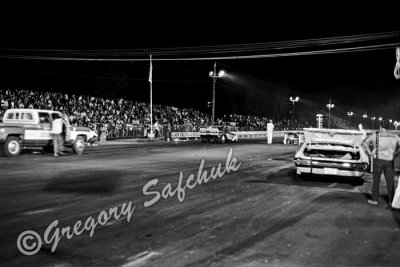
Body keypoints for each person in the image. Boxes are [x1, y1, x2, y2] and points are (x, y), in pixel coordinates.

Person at [362, 120, 400, 207]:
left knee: (376, 181)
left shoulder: (376, 134)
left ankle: (374, 199)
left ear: (380, 125)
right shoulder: (394, 135)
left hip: (378, 160)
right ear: (389, 126)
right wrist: (396, 153)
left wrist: (370, 152)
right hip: (389, 160)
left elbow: (364, 143)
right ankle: (391, 201)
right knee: (390, 182)